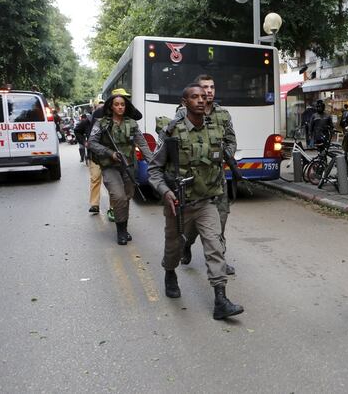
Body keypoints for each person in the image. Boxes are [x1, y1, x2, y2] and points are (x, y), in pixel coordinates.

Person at [147, 83, 244, 320]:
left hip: (206, 202)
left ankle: (220, 299)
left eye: (203, 96)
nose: (201, 100)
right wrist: (165, 192)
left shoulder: (215, 131)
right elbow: (154, 169)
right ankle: (170, 272)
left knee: (214, 246)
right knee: (174, 248)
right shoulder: (172, 133)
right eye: (195, 97)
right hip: (178, 204)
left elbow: (220, 161)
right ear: (184, 102)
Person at [178, 74, 237, 275]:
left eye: (212, 87)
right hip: (193, 179)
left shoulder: (223, 114)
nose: (209, 91)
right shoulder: (183, 113)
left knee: (220, 218)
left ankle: (219, 260)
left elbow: (231, 140)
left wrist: (225, 156)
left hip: (217, 177)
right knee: (193, 222)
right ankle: (186, 244)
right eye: (205, 88)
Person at [88, 92, 153, 245]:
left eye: (122, 105)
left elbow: (142, 144)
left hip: (129, 165)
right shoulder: (101, 123)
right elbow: (92, 143)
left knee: (127, 196)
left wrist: (153, 163)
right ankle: (121, 232)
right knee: (118, 197)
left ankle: (124, 226)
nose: (120, 107)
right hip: (110, 166)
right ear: (111, 106)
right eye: (116, 104)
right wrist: (110, 153)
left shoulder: (131, 123)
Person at [87, 101, 105, 214]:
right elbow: (78, 130)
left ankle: (113, 208)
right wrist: (84, 142)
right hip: (95, 155)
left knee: (113, 183)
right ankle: (94, 204)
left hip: (110, 156)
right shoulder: (89, 121)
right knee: (95, 178)